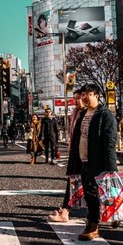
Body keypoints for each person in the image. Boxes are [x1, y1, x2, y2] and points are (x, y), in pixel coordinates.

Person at [66, 83, 118, 241]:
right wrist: (73, 161)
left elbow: (110, 143)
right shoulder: (83, 114)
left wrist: (111, 167)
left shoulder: (105, 115)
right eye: (83, 94)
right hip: (83, 159)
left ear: (96, 95)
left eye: (87, 94)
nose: (84, 97)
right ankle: (98, 220)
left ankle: (94, 224)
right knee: (90, 194)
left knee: (97, 192)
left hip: (98, 161)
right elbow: (78, 138)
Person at [49, 88, 86, 222]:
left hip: (87, 154)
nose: (76, 101)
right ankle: (65, 211)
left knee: (93, 184)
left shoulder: (90, 113)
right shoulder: (75, 112)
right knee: (73, 181)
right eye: (74, 98)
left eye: (78, 98)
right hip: (76, 153)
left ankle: (110, 211)